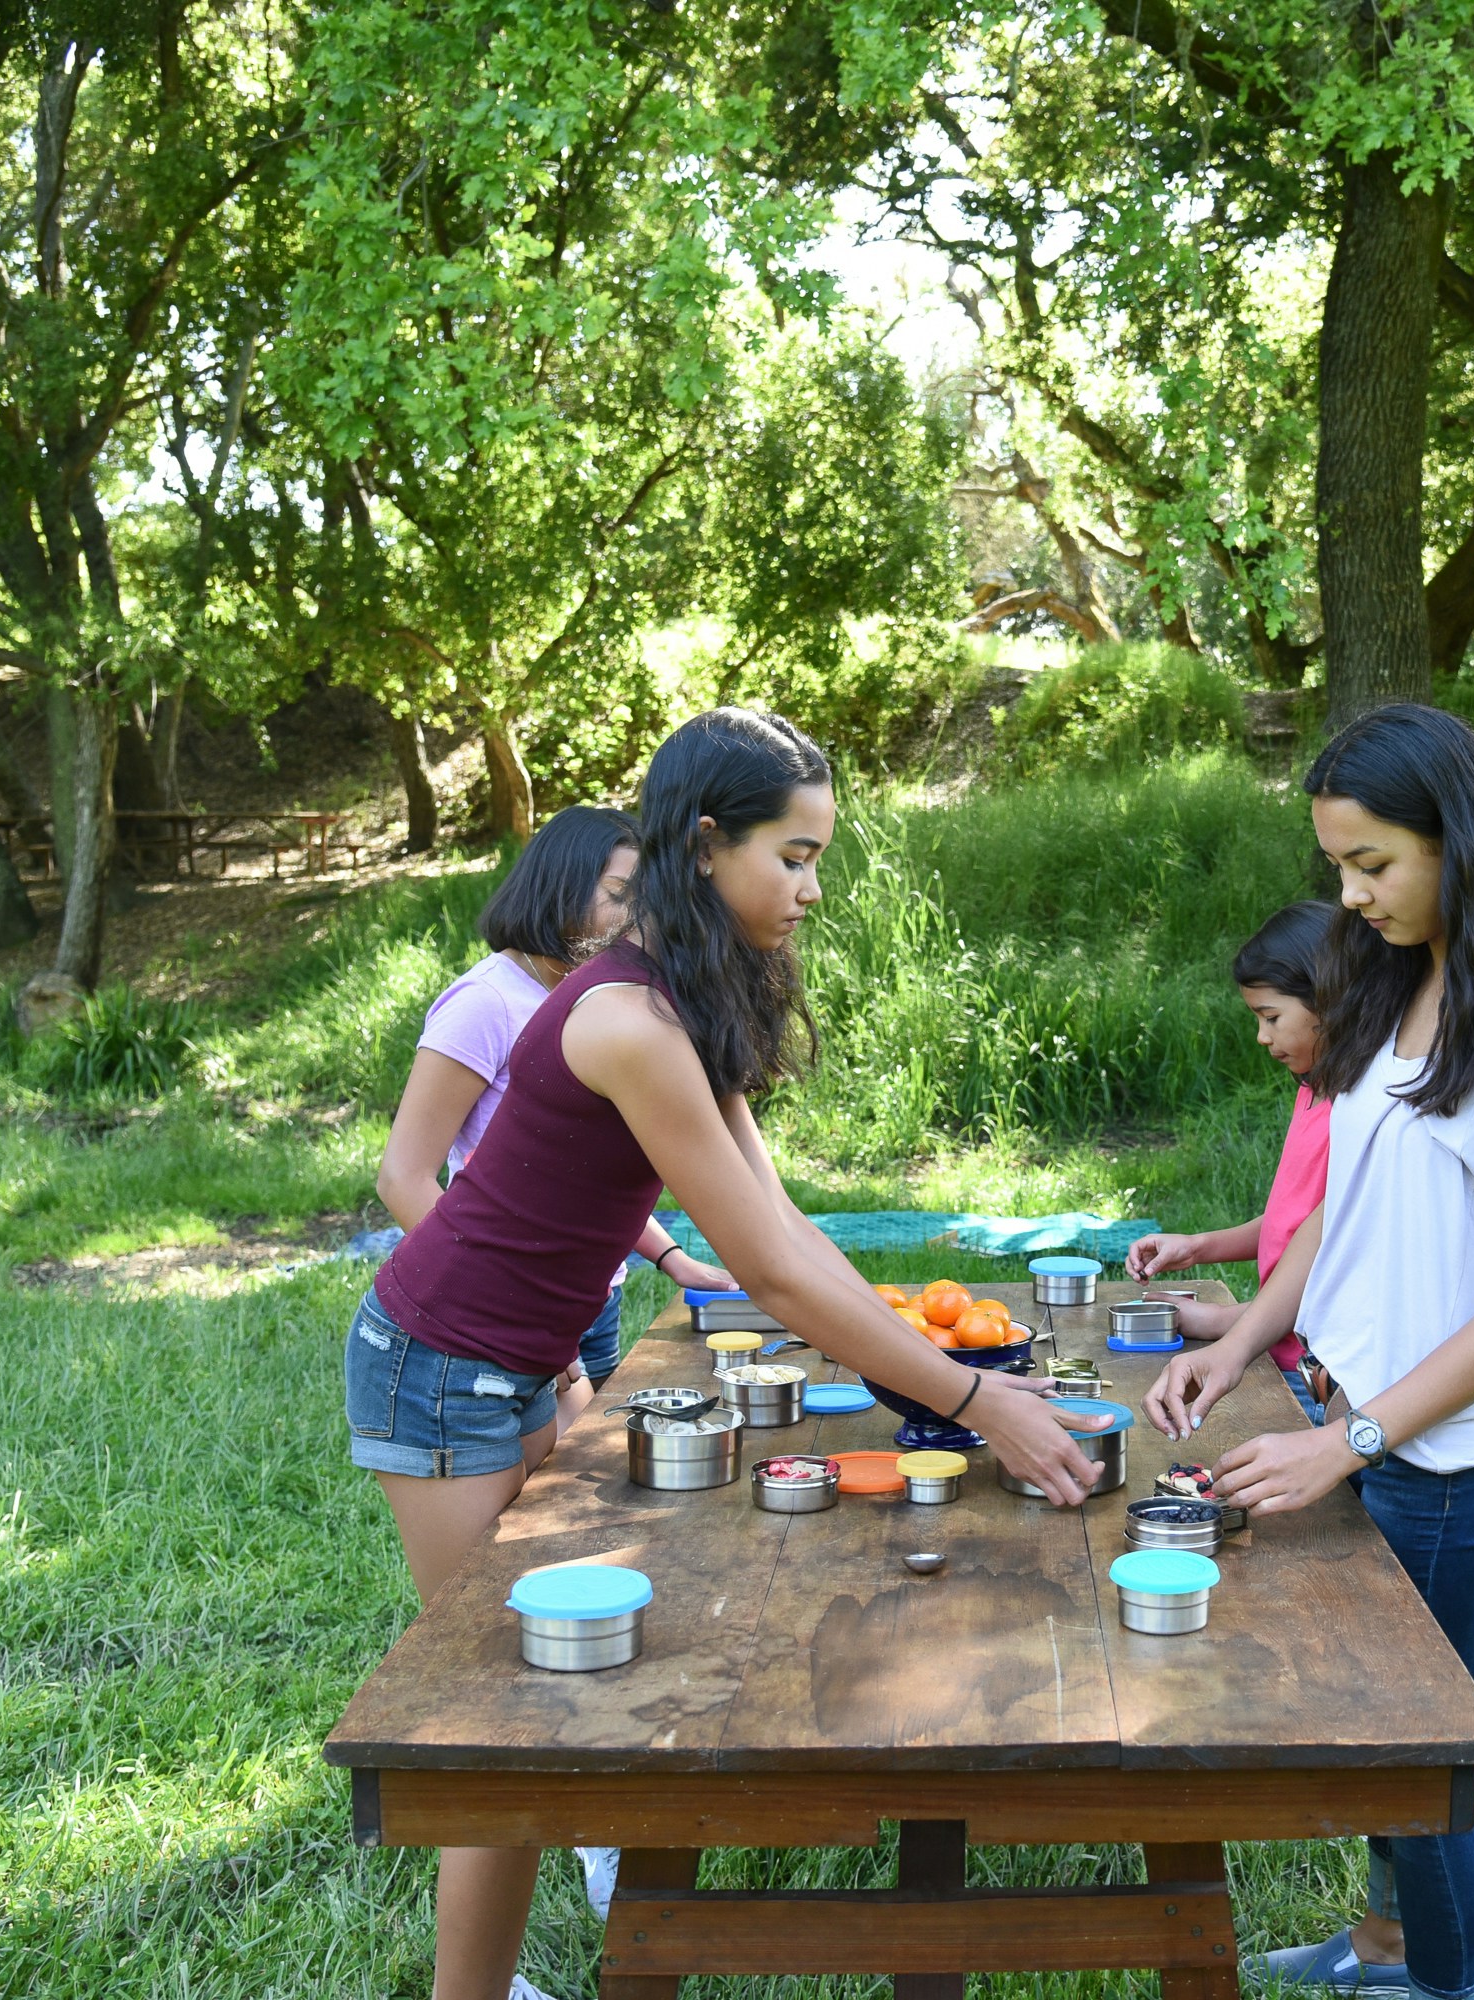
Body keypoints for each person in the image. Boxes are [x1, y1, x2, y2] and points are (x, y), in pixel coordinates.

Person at [345, 709, 1104, 2000]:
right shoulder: (630, 1022)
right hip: (439, 1368)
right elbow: (768, 1271)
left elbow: (784, 1226)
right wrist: (976, 1401)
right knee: (503, 1726)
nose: (811, 890)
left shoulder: (688, 997)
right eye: (794, 857)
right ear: (708, 845)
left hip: (528, 1363)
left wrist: (924, 1351)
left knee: (568, 1689)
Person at [1143, 704, 1474, 2000]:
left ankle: (1442, 1985)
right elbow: (1337, 1217)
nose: (1352, 897)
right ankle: (1378, 1948)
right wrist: (1244, 1339)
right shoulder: (1392, 982)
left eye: (1374, 865)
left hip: (1454, 1466)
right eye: (1340, 870)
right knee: (1374, 1737)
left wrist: (1349, 1442)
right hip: (1353, 1426)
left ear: (1459, 841)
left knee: (1422, 1773)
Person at [373, 804, 733, 1430]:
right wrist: (518, 1312)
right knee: (537, 1514)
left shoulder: (601, 1000)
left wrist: (672, 1258)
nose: (638, 918)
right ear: (561, 886)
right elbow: (403, 1178)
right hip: (511, 1311)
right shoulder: (484, 1003)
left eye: (645, 899)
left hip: (591, 1296)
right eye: (619, 895)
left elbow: (581, 1179)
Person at [1122, 898, 1338, 1424]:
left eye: (1271, 1017)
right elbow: (1298, 1224)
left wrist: (1220, 1321)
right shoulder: (1313, 1092)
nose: (1263, 1037)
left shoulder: (1357, 1115)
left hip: (1316, 1377)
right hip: (1279, 1353)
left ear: (1332, 999)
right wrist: (1198, 1247)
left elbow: (1328, 1271)